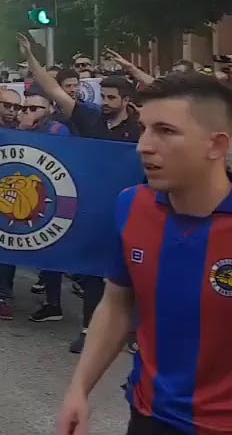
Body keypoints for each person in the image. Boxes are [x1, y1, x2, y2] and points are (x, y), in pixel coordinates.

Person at [56, 74, 232, 435]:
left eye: (165, 131)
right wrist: (79, 388)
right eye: (144, 129)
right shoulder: (131, 205)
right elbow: (118, 303)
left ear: (216, 145)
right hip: (149, 416)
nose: (144, 146)